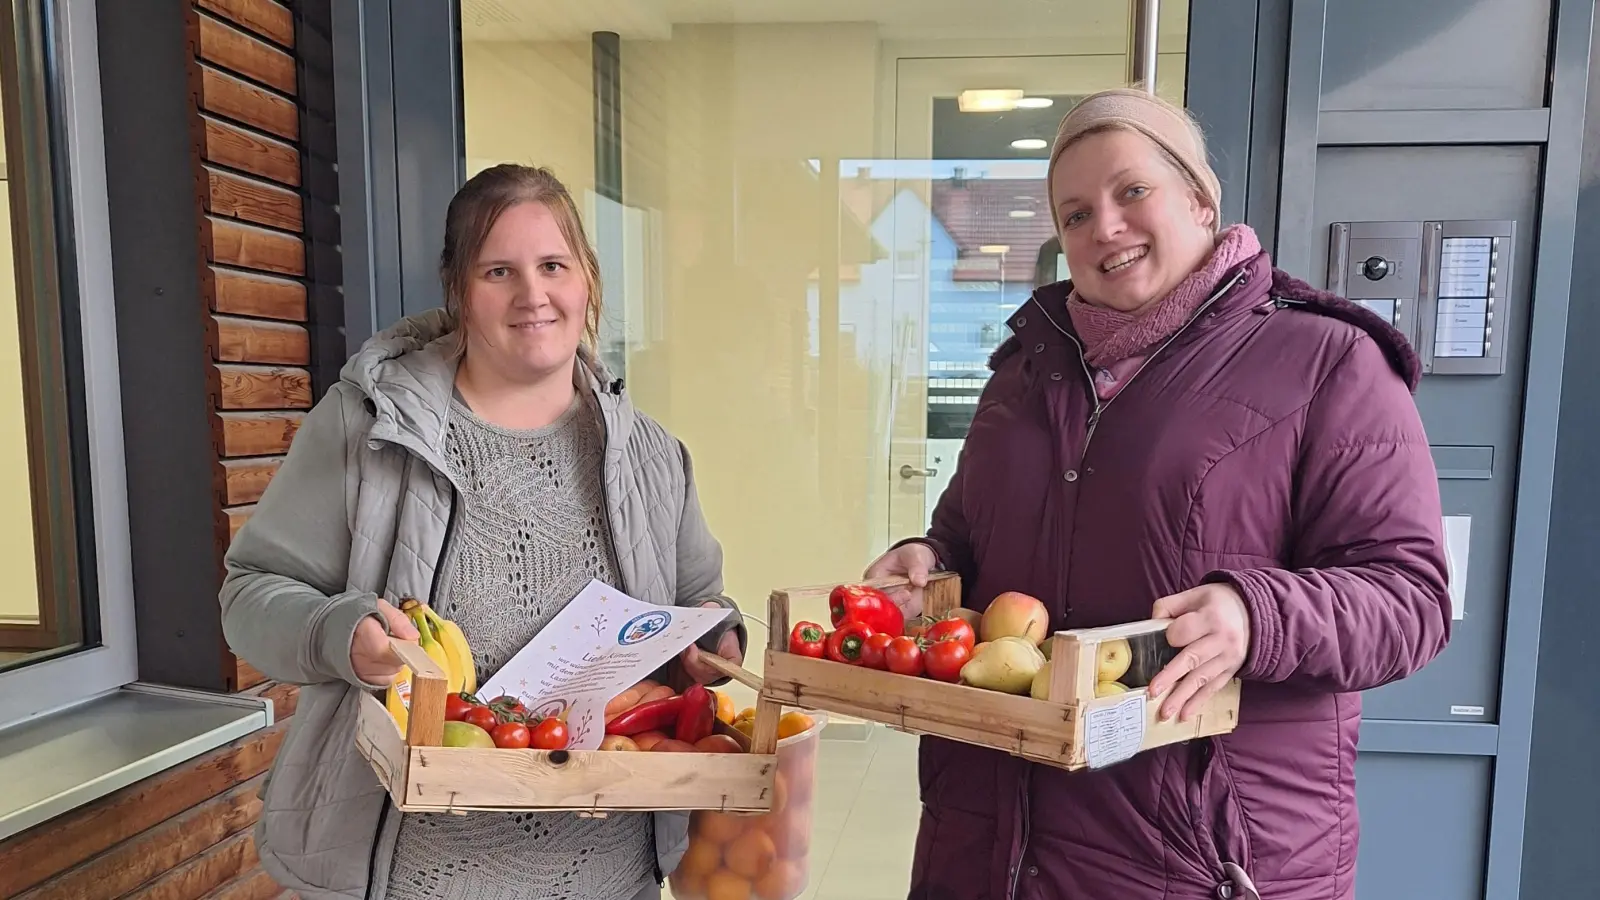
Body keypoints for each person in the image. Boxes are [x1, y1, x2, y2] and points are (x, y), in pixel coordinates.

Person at [866, 88, 1451, 900]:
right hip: (988, 845)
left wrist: (1258, 615)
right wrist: (926, 557)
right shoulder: (1022, 373)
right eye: (1074, 214)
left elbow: (1410, 599)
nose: (1103, 226)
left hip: (1195, 862)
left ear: (1200, 199)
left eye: (1131, 191)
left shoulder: (1327, 363)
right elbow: (966, 533)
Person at [219, 164, 746, 900]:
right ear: (460, 290)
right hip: (415, 878)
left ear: (586, 280)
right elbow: (248, 598)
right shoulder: (366, 432)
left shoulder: (651, 455)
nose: (534, 294)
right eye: (500, 270)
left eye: (553, 265)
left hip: (610, 875)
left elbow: (698, 598)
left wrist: (715, 644)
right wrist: (342, 634)